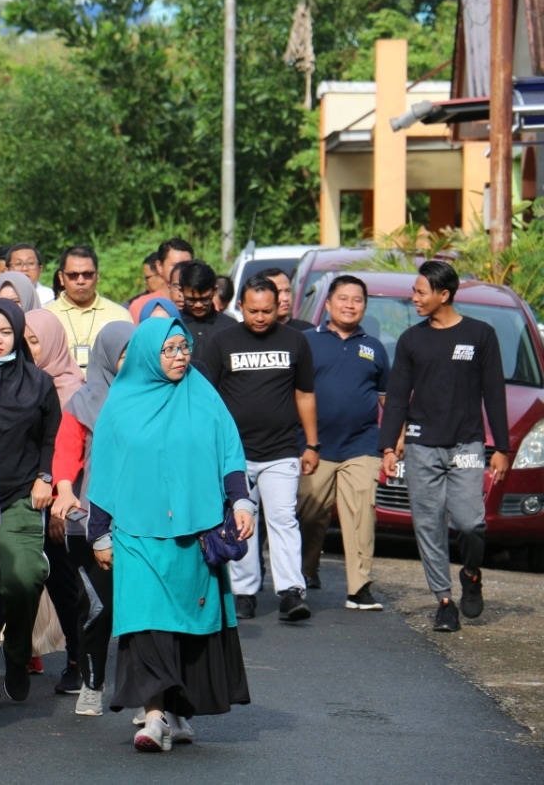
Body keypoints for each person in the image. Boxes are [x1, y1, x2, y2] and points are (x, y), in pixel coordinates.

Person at [87, 316, 254, 752]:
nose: (181, 357)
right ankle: (155, 717)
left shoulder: (202, 395)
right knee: (145, 624)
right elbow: (104, 471)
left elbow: (229, 451)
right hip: (136, 534)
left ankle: (177, 711)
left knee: (186, 627)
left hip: (192, 535)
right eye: (170, 350)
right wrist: (99, 533)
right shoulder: (121, 403)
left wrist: (240, 501)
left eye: (184, 348)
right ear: (147, 355)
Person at [378, 261, 510, 633]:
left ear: (444, 295)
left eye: (421, 292)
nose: (414, 298)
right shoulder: (411, 340)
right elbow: (398, 397)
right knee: (429, 525)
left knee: (471, 523)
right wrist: (388, 447)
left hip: (466, 445)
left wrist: (502, 447)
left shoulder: (480, 335)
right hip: (422, 447)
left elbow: (495, 394)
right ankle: (444, 600)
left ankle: (471, 572)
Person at [198, 276, 319, 623]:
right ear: (240, 306)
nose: (261, 317)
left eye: (268, 311)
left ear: (278, 306)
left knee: (283, 519)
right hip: (235, 454)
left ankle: (291, 591)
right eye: (253, 311)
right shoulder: (222, 342)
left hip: (282, 450)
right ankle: (245, 593)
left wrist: (312, 443)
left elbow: (305, 395)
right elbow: (209, 399)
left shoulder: (296, 341)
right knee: (241, 520)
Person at [0, 300, 60, 709]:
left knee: (24, 579)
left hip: (21, 495)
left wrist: (45, 477)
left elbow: (51, 437)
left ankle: (18, 654)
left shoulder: (38, 382)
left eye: (5, 332)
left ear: (18, 334)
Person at [50, 321, 136, 717]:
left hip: (144, 520)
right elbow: (67, 453)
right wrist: (64, 488)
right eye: (123, 352)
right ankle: (92, 682)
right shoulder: (84, 402)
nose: (130, 359)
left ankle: (146, 694)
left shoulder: (154, 396)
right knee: (97, 607)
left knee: (142, 611)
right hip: (92, 523)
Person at [296, 276, 390, 608]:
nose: (350, 305)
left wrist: (393, 443)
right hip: (313, 446)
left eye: (357, 300)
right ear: (328, 304)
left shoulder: (374, 348)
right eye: (343, 298)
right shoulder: (306, 342)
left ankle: (359, 588)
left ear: (365, 306)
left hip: (361, 446)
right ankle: (306, 568)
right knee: (310, 512)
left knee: (362, 513)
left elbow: (386, 399)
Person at [24, 307, 86, 691]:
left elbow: (73, 453)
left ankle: (78, 660)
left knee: (67, 585)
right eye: (24, 340)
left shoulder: (74, 391)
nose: (28, 349)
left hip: (66, 503)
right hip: (31, 497)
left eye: (35, 341)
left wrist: (64, 499)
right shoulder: (23, 382)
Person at [44, 245, 133, 374]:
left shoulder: (119, 316)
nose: (81, 281)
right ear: (61, 278)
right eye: (73, 275)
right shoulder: (47, 316)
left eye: (87, 274)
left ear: (97, 276)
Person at [128, 238, 194, 321]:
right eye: (176, 265)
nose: (182, 270)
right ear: (159, 267)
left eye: (188, 265)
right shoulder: (141, 305)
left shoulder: (200, 302)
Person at [177, 260, 231, 351]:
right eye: (191, 300)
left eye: (204, 299)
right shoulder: (173, 324)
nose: (198, 305)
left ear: (215, 291)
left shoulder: (229, 327)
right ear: (181, 291)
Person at [256, 266, 313, 330]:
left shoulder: (307, 331)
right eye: (277, 292)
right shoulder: (250, 334)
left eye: (288, 291)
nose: (285, 298)